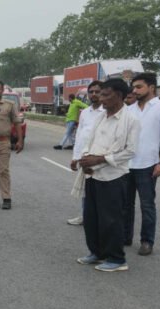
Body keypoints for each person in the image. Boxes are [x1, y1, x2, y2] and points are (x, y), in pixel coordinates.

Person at [74, 78, 140, 272]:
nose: (100, 98)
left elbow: (130, 151)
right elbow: (89, 140)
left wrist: (100, 159)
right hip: (92, 175)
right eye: (100, 94)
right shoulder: (100, 117)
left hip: (113, 177)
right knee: (91, 217)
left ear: (119, 96)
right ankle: (97, 253)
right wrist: (86, 159)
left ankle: (117, 259)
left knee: (111, 220)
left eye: (105, 94)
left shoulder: (131, 120)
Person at [124, 73, 160, 256]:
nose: (134, 90)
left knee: (147, 205)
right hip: (127, 163)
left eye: (138, 87)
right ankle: (125, 236)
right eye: (133, 87)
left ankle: (147, 241)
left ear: (151, 87)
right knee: (126, 204)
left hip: (148, 164)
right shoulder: (129, 110)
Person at [68, 80, 104, 225]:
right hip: (85, 157)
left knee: (101, 191)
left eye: (97, 91)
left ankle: (100, 219)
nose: (94, 94)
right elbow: (80, 136)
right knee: (86, 189)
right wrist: (75, 157)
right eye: (91, 92)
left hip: (101, 158)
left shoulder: (107, 112)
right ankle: (85, 216)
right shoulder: (85, 113)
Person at [0, 79, 23, 210]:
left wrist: (20, 140)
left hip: (3, 142)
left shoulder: (10, 105)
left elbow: (17, 123)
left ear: (2, 91)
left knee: (3, 171)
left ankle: (6, 198)